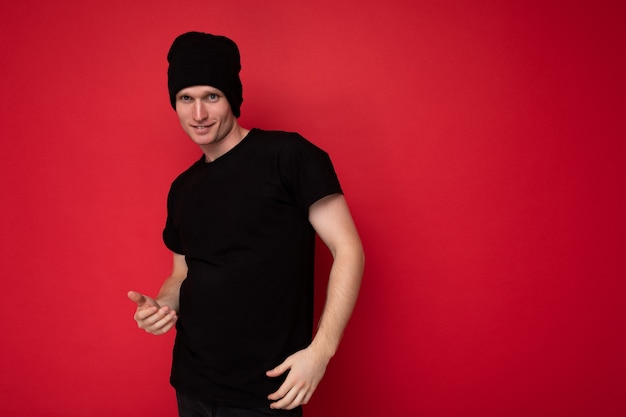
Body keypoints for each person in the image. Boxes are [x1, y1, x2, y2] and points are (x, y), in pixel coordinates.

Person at [127, 31, 364, 417]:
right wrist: (162, 306)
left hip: (267, 390)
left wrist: (321, 352)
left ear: (232, 99)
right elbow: (181, 274)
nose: (198, 114)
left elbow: (348, 249)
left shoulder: (288, 155)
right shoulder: (182, 188)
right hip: (191, 383)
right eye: (186, 98)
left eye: (211, 97)